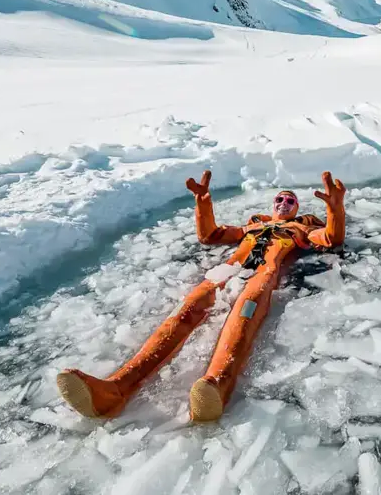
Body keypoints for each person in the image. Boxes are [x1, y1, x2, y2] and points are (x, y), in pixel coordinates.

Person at [57, 170, 346, 422]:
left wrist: (335, 210)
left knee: (243, 313)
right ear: (272, 205)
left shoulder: (302, 228)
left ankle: (218, 384)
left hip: (263, 275)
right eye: (280, 199)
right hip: (229, 270)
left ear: (297, 209)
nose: (284, 203)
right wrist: (203, 203)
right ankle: (115, 389)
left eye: (290, 201)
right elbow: (211, 235)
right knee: (185, 310)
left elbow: (330, 238)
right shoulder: (253, 226)